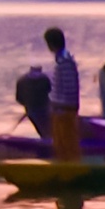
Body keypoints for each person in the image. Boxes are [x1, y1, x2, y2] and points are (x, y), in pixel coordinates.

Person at [43, 25, 81, 162]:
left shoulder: (65, 62)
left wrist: (57, 104)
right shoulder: (62, 60)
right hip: (60, 109)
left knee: (67, 144)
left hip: (64, 110)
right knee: (60, 144)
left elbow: (70, 88)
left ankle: (70, 167)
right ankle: (64, 164)